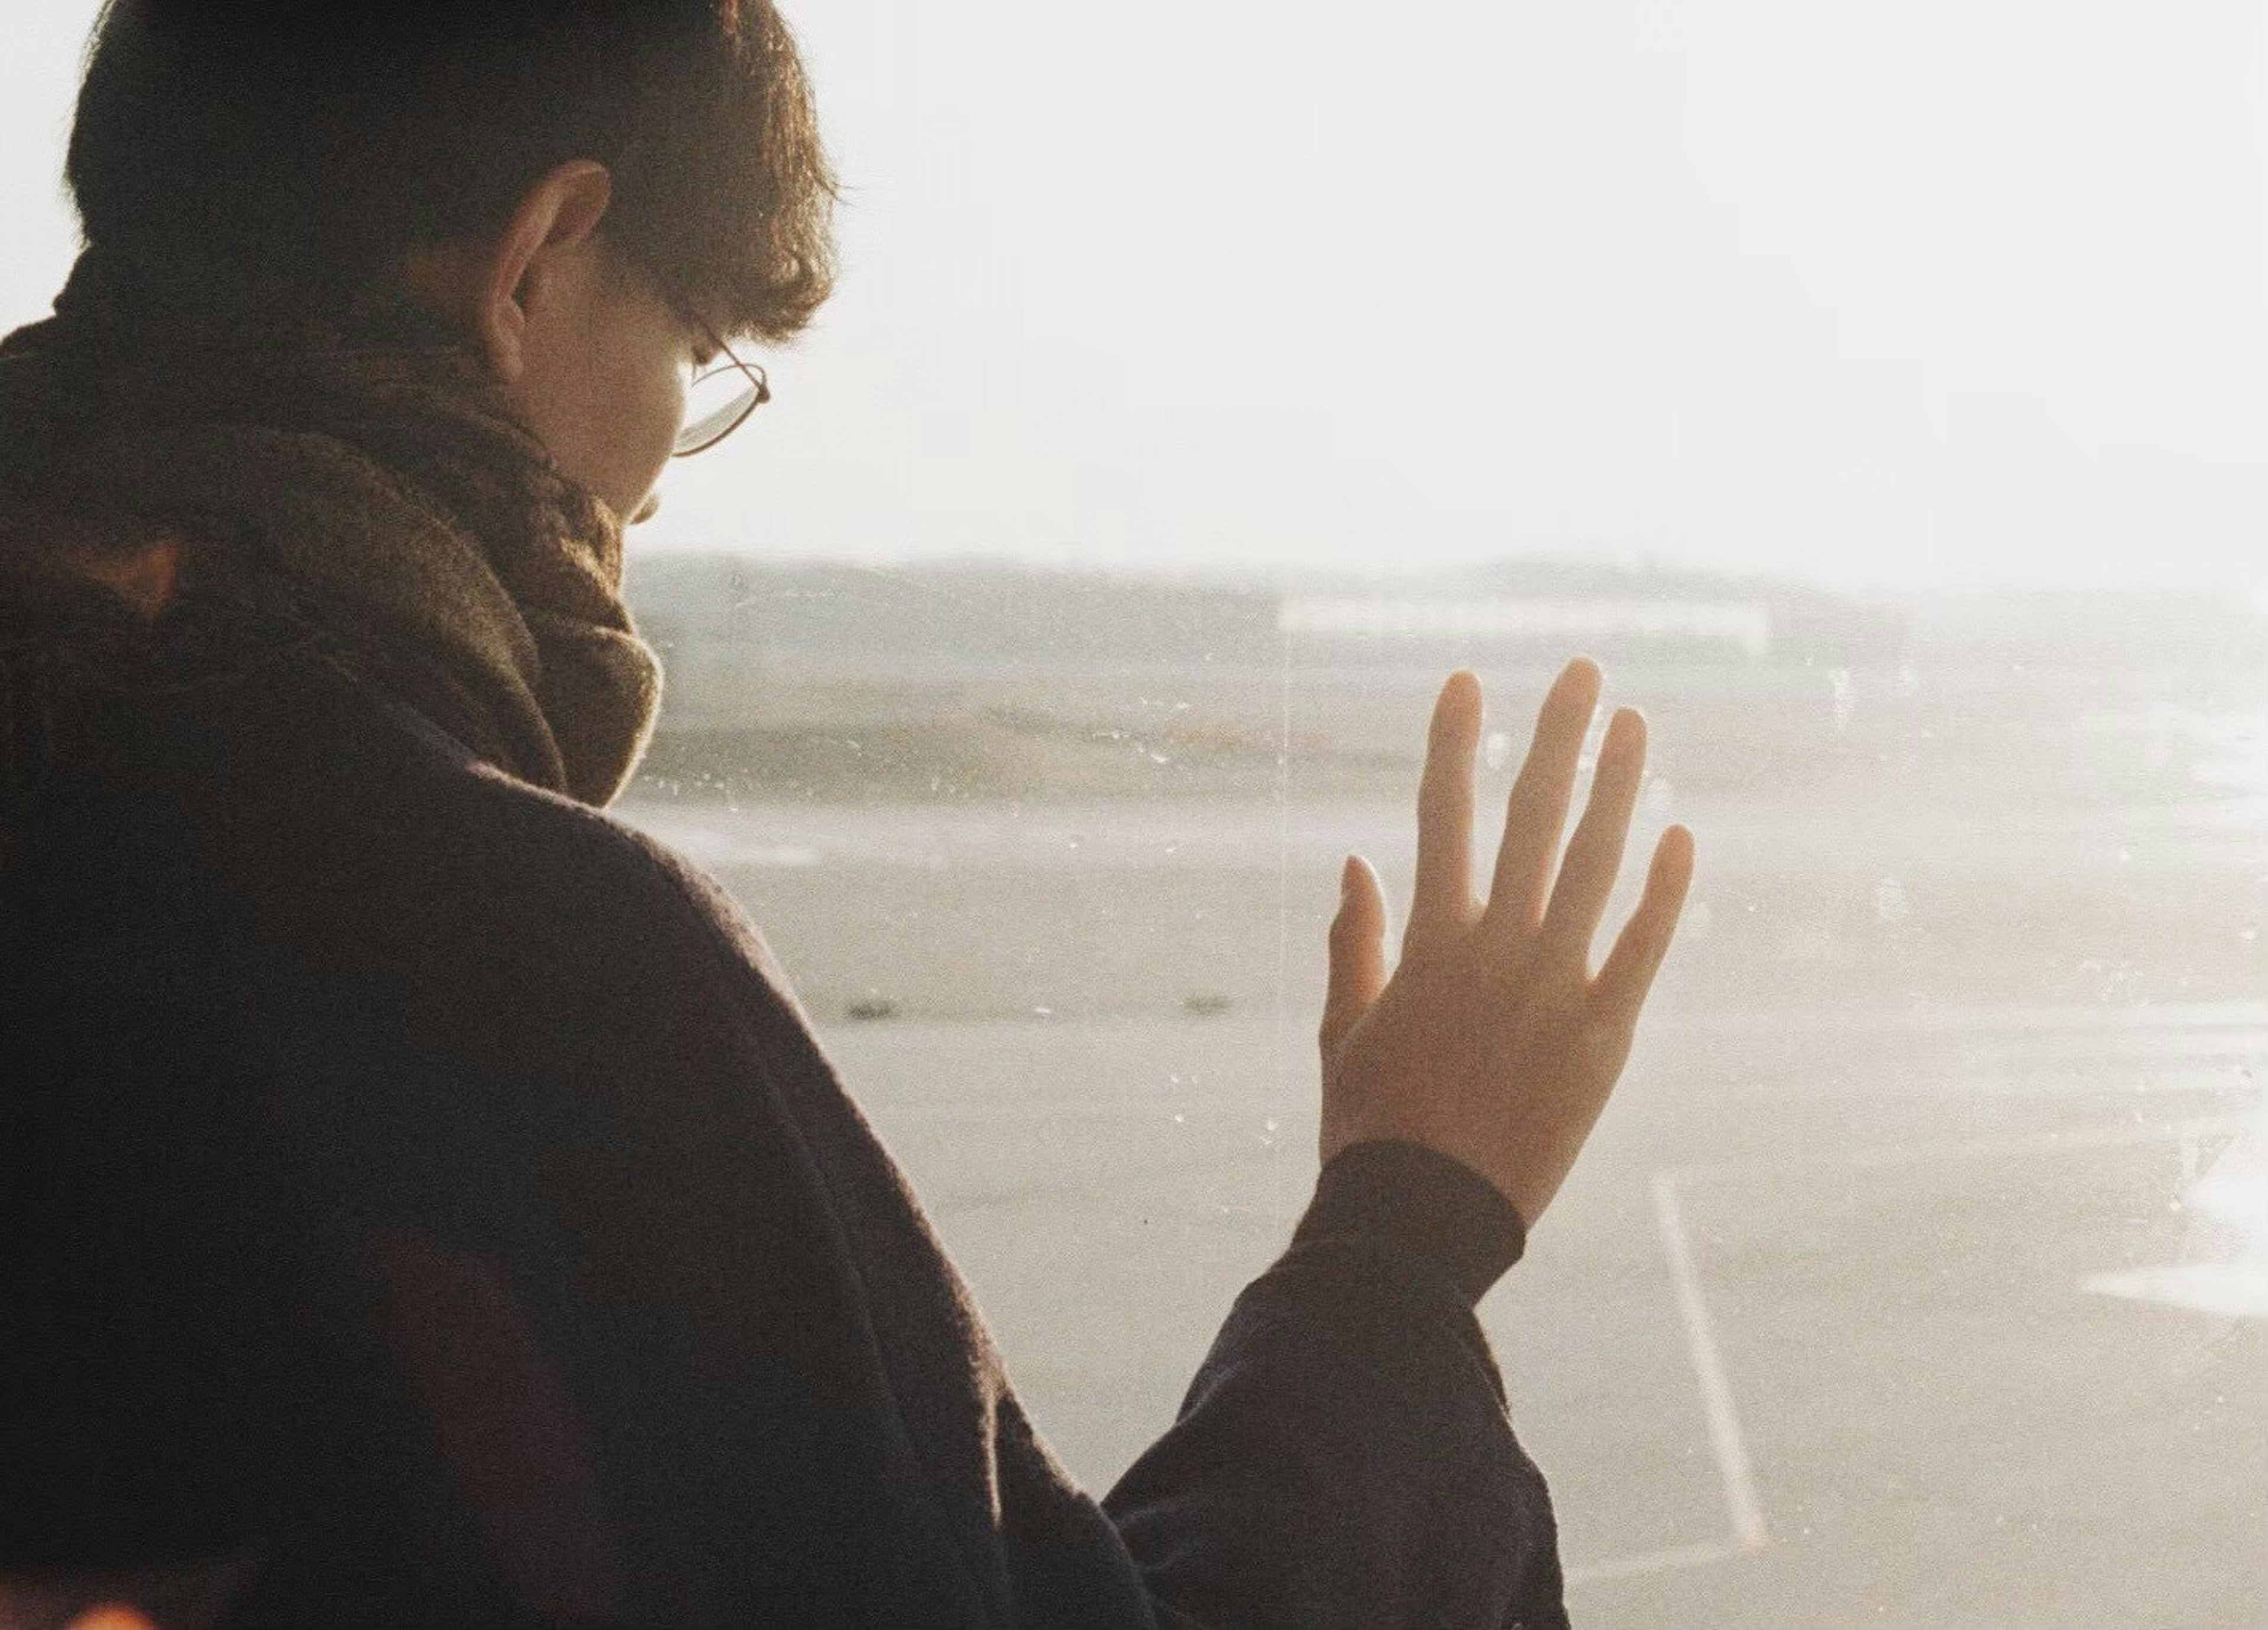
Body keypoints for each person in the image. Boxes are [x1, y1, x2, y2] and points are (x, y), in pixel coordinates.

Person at [0, 2, 1695, 1625]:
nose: (657, 480)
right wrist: (1411, 1221)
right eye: (693, 348)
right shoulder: (506, 967)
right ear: (537, 263)